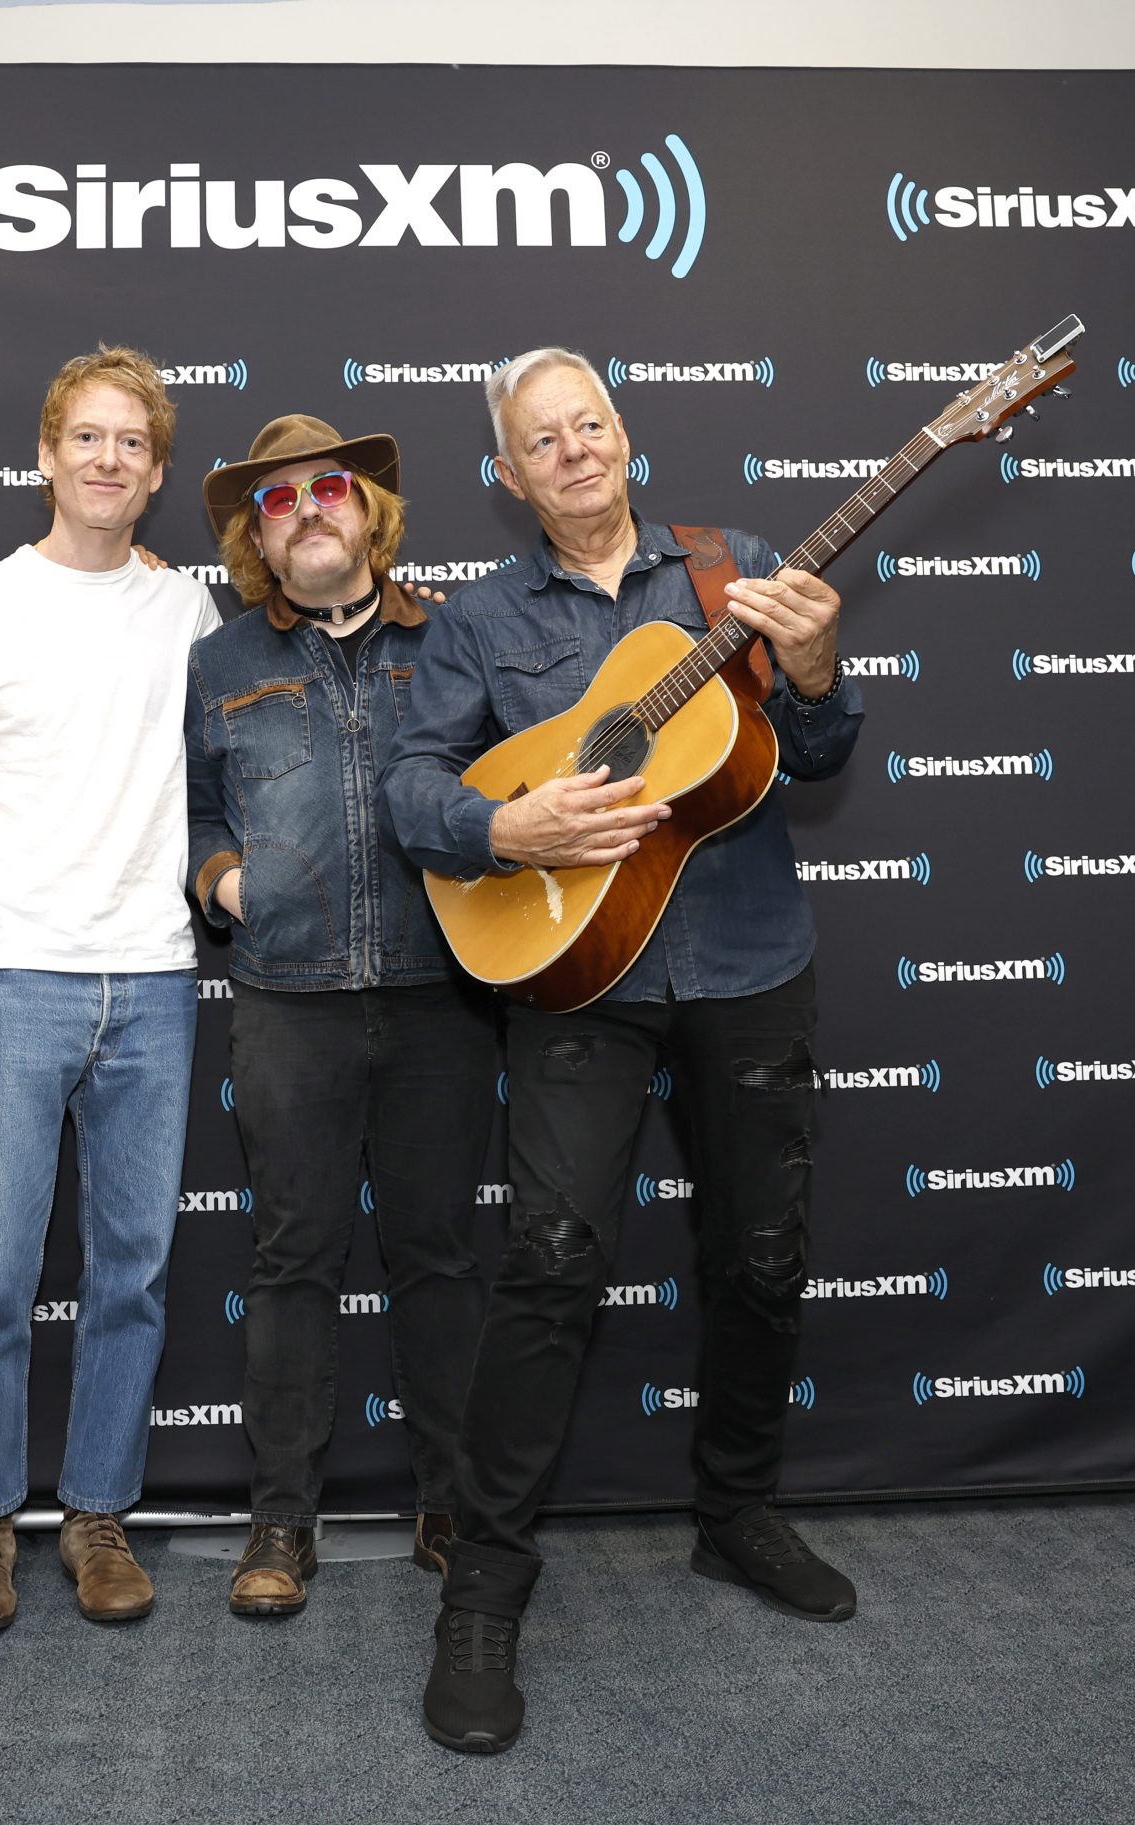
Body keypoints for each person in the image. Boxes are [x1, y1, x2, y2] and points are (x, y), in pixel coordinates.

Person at [383, 347, 866, 1753]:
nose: (575, 450)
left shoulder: (734, 571)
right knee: (547, 1264)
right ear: (511, 474)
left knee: (761, 1254)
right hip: (576, 973)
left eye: (590, 422)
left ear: (626, 434)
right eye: (544, 439)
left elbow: (820, 749)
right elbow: (417, 787)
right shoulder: (478, 623)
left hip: (747, 956)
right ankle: (484, 1586)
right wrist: (502, 830)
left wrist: (823, 667)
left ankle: (738, 1514)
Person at [0, 348, 221, 1628]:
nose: (106, 460)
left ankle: (98, 1514)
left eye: (131, 444)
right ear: (44, 456)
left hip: (154, 976)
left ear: (155, 473)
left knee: (133, 1268)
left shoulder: (189, 612)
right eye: (84, 439)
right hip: (9, 974)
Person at [184, 416, 492, 1616]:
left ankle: (452, 1499)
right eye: (277, 500)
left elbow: (509, 787)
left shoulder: (453, 636)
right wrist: (226, 883)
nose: (307, 508)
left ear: (369, 509)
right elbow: (200, 813)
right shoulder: (217, 663)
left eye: (330, 487)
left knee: (438, 1257)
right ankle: (280, 1522)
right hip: (286, 1000)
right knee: (291, 1263)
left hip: (441, 995)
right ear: (255, 537)